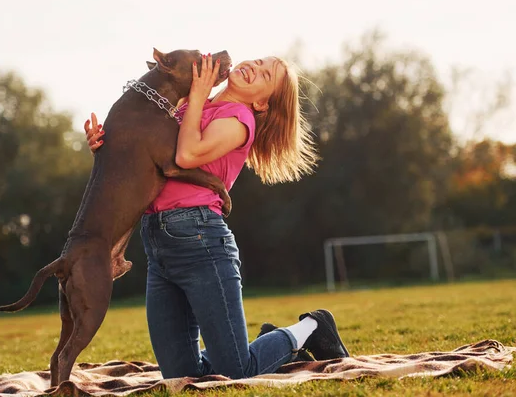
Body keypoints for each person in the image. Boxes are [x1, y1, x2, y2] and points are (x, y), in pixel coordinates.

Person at [83, 54, 349, 379]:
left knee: (238, 370)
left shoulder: (238, 120)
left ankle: (310, 326)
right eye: (259, 60)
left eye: (266, 74)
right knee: (182, 377)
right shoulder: (190, 106)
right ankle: (263, 343)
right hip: (157, 244)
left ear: (263, 103)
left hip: (201, 244)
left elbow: (186, 154)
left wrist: (195, 95)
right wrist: (105, 146)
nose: (255, 66)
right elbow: (144, 156)